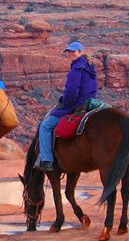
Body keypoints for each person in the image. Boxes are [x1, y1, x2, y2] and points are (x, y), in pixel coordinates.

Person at [36, 41, 98, 171]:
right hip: (91, 101)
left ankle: (47, 160)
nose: (70, 54)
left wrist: (65, 103)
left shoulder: (76, 68)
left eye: (73, 51)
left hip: (78, 104)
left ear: (81, 52)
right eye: (69, 51)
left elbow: (72, 91)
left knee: (45, 126)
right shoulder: (89, 66)